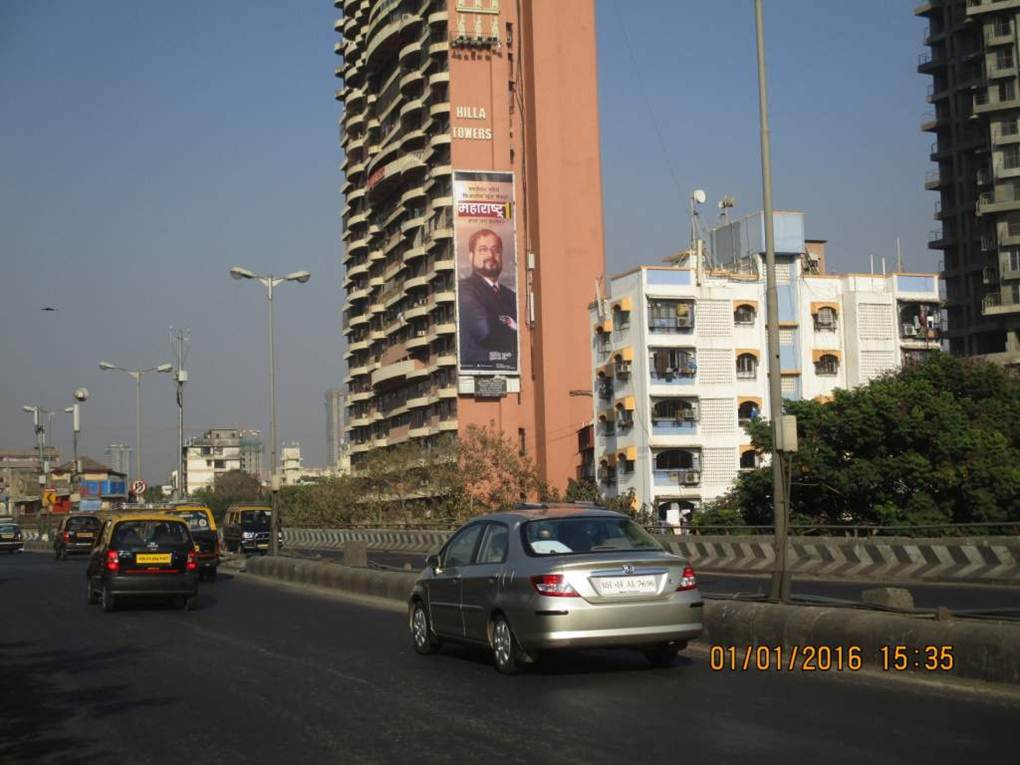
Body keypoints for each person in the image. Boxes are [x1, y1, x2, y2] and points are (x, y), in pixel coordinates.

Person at [458, 228, 517, 368]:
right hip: (477, 369)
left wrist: (501, 323)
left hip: (509, 370)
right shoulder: (464, 289)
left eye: (496, 250)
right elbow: (485, 331)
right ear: (471, 256)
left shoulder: (511, 295)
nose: (491, 255)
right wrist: (515, 327)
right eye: (483, 249)